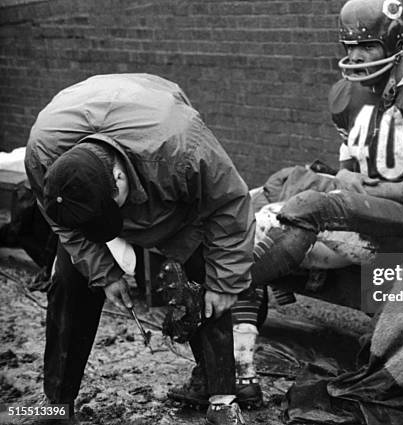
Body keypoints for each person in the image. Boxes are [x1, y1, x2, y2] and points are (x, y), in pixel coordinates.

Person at [229, 0, 403, 399]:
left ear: (395, 41)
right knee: (252, 220)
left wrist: (367, 188)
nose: (355, 55)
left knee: (308, 205)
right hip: (353, 221)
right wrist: (343, 176)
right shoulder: (346, 95)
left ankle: (220, 287)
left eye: (368, 46)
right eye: (348, 46)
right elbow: (348, 169)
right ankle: (241, 374)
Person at [24, 74, 255, 416]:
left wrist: (225, 283)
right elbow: (64, 225)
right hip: (95, 170)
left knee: (206, 285)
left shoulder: (181, 147)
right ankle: (57, 401)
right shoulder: (44, 157)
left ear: (118, 179)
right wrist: (104, 273)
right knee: (69, 281)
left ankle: (222, 400)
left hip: (162, 182)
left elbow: (229, 204)